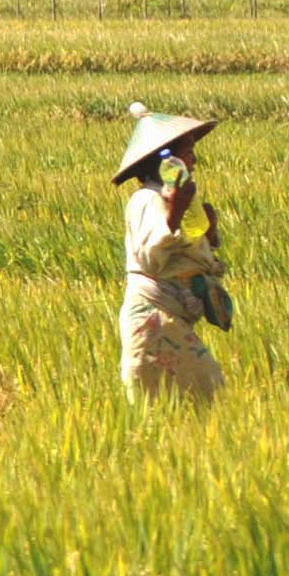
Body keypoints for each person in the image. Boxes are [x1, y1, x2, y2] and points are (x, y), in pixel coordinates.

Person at [114, 103, 228, 404]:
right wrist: (176, 210)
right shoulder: (146, 200)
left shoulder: (176, 198)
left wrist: (209, 235)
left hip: (170, 316)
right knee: (203, 391)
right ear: (167, 160)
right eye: (188, 151)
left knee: (195, 396)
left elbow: (186, 253)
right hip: (153, 318)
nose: (194, 159)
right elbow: (150, 257)